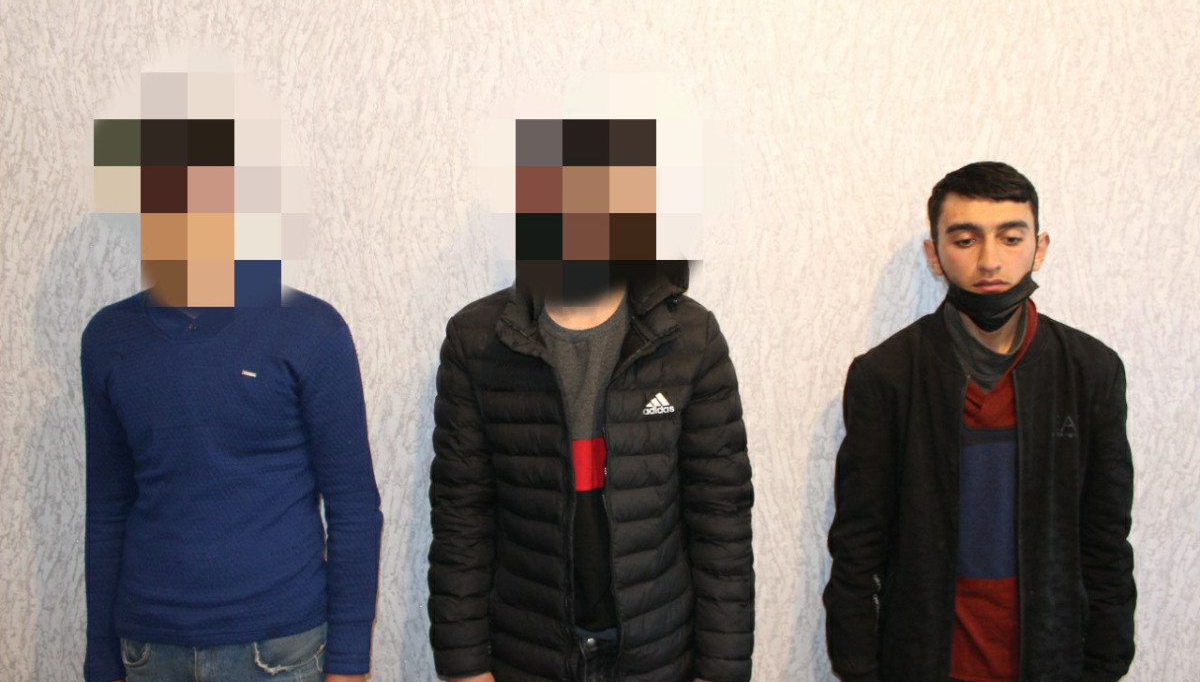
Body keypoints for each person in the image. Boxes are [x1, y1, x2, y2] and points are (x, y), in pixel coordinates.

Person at [427, 118, 754, 682]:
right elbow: (461, 518)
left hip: (656, 655)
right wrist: (463, 667)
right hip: (527, 652)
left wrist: (720, 670)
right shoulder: (476, 341)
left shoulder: (690, 339)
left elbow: (721, 519)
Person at [84, 106, 382, 682]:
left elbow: (353, 508)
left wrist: (349, 663)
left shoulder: (311, 331)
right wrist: (101, 656)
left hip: (280, 650)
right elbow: (107, 508)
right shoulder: (108, 339)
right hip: (148, 649)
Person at [824, 161, 1135, 681]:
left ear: (1039, 248)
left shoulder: (1090, 372)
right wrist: (857, 667)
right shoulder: (887, 376)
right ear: (935, 255)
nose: (989, 261)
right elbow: (857, 544)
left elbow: (1106, 539)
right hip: (925, 660)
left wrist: (1106, 663)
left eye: (1011, 238)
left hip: (1050, 660)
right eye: (965, 240)